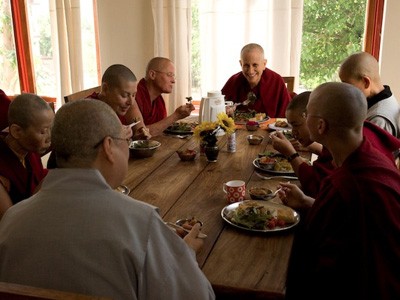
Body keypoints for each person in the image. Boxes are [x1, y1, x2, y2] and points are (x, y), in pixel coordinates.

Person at [0, 99, 215, 300]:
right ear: (108, 147)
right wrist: (183, 254)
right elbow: (198, 295)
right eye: (126, 140)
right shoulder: (141, 222)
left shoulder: (11, 220)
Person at [277, 82, 400, 299]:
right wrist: (307, 202)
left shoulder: (347, 184)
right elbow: (350, 219)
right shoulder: (371, 153)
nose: (305, 118)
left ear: (321, 126)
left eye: (308, 114)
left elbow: (325, 266)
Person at [270, 91, 400, 198]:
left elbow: (317, 189)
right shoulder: (356, 137)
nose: (293, 132)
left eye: (306, 117)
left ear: (320, 124)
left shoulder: (348, 176)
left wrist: (291, 154)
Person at [0, 93, 53, 218]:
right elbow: (10, 221)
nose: (49, 138)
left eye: (50, 129)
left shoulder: (29, 150)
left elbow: (37, 177)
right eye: (43, 132)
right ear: (16, 131)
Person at [339, 51, 400, 138]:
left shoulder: (378, 120)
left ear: (366, 82)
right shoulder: (380, 99)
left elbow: (364, 152)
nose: (345, 90)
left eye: (347, 85)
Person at [221, 43, 291, 118]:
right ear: (241, 64)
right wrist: (226, 111)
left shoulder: (276, 81)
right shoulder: (233, 81)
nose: (250, 71)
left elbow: (286, 115)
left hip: (270, 129)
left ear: (264, 64)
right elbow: (220, 111)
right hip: (239, 128)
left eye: (255, 65)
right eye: (246, 65)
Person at [87, 63, 151, 140]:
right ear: (105, 89)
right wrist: (116, 137)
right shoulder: (90, 110)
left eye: (134, 95)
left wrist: (136, 137)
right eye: (124, 95)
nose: (130, 102)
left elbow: (140, 129)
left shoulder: (126, 105)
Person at [135, 57, 195, 136]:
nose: (173, 81)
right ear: (152, 75)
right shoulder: (134, 96)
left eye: (174, 76)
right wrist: (175, 116)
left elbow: (161, 128)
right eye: (169, 75)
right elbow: (140, 135)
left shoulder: (158, 100)